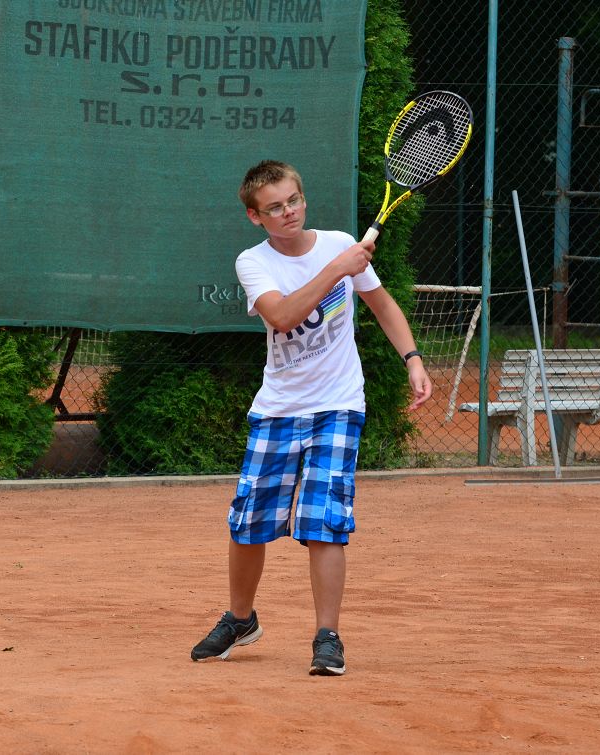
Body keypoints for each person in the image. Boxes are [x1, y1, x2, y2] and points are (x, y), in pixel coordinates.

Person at [190, 160, 432, 676]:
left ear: (303, 198)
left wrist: (412, 359)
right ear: (256, 216)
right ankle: (241, 620)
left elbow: (382, 305)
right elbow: (282, 316)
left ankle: (327, 636)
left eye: (293, 200)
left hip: (338, 405)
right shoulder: (254, 262)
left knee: (326, 521)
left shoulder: (338, 244)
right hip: (277, 407)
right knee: (248, 524)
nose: (288, 212)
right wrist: (338, 268)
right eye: (274, 207)